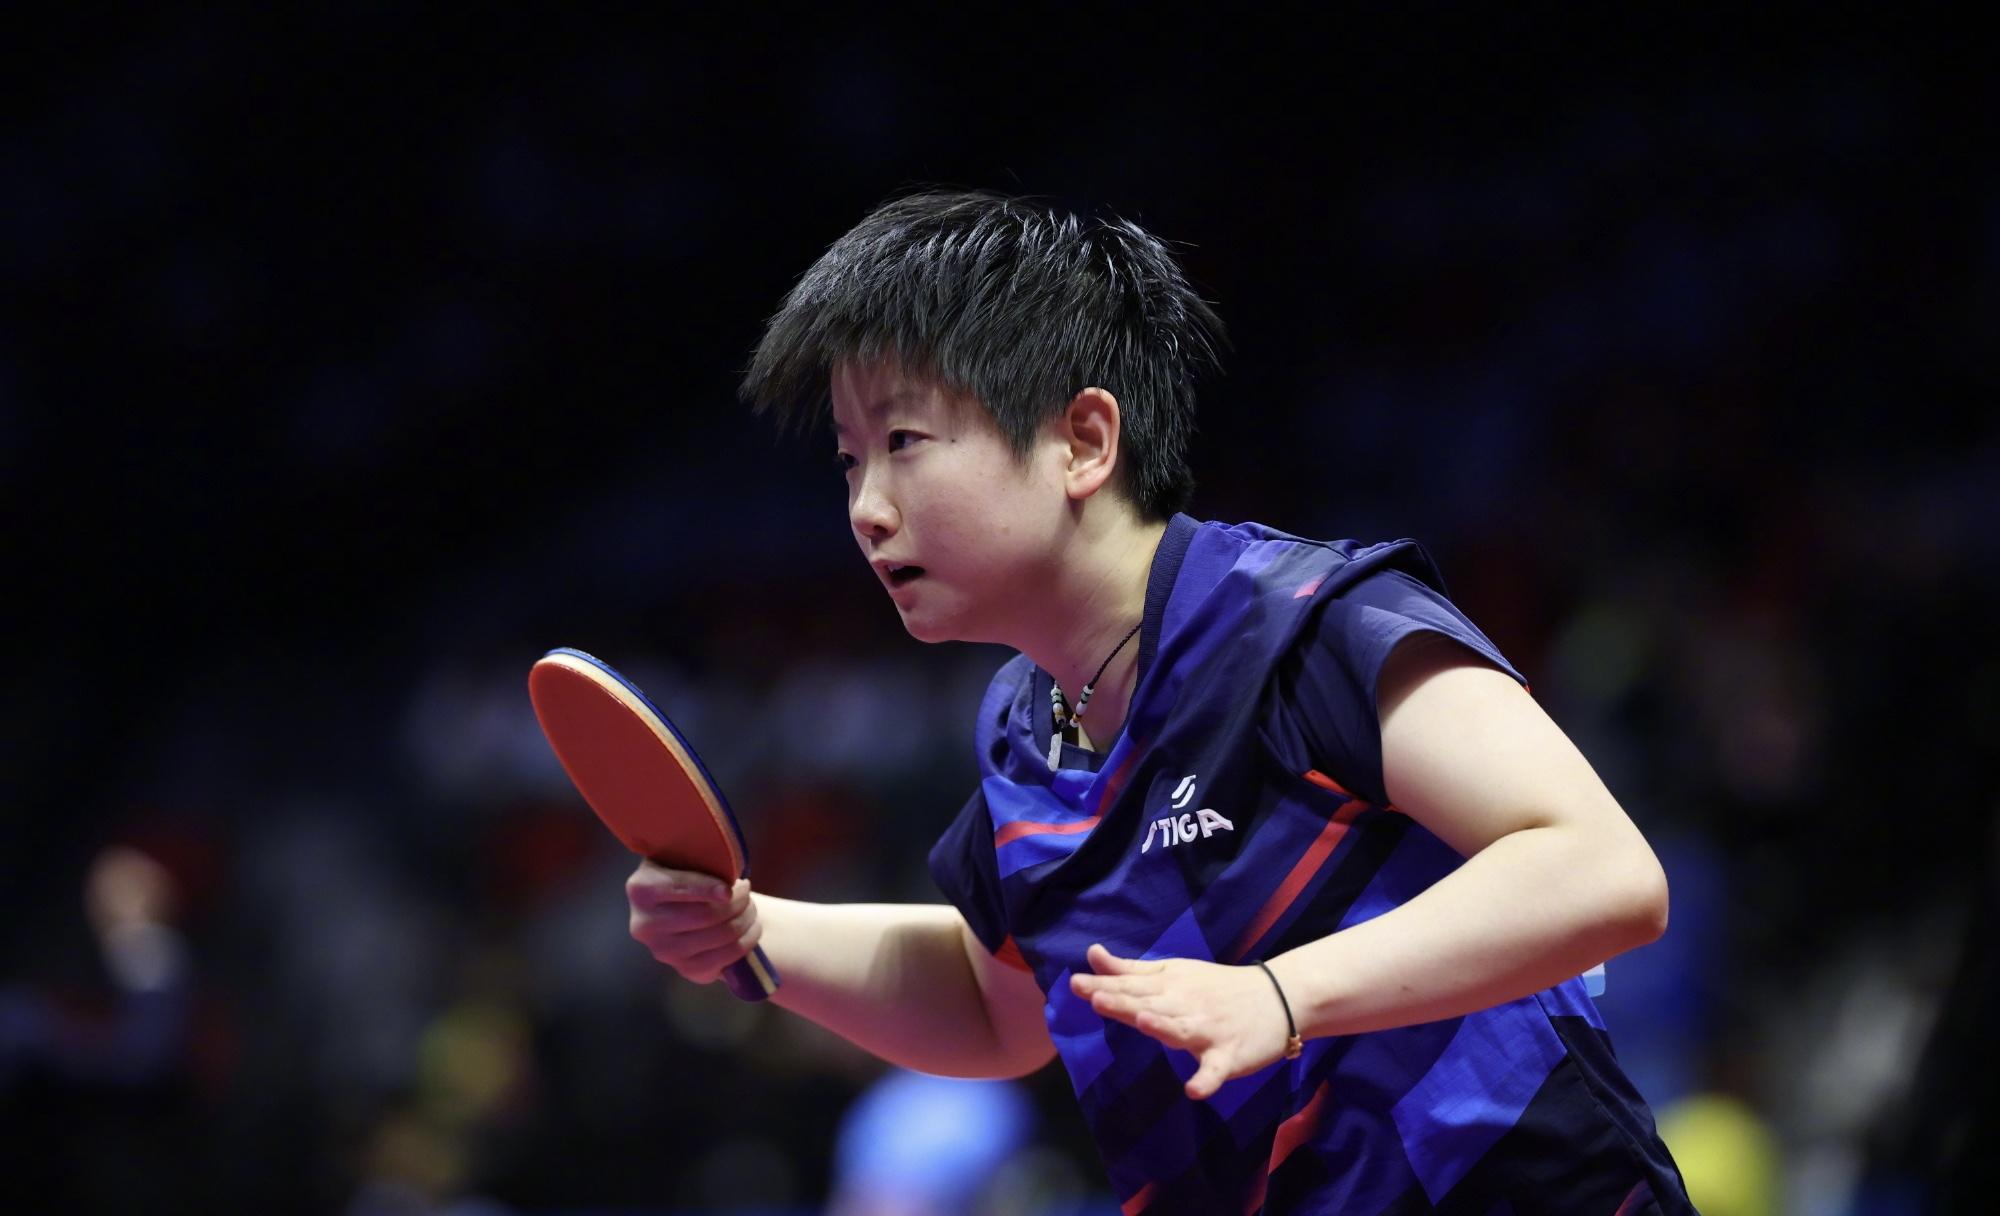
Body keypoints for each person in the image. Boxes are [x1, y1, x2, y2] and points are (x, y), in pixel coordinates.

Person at [627, 190, 1695, 1213]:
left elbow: (1599, 869)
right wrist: (750, 931)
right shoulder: (1026, 737)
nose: (865, 508)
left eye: (903, 443)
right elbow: (995, 1007)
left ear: (1083, 442)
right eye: (849, 460)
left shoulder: (1304, 625)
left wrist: (1282, 995)